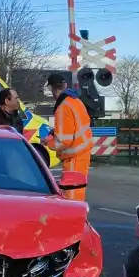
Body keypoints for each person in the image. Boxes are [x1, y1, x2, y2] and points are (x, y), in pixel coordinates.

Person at [42, 73, 92, 201]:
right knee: (78, 193)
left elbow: (63, 141)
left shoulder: (62, 108)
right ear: (65, 85)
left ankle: (74, 221)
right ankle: (80, 219)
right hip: (82, 154)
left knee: (72, 198)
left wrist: (48, 142)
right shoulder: (75, 101)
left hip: (73, 158)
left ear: (52, 89)